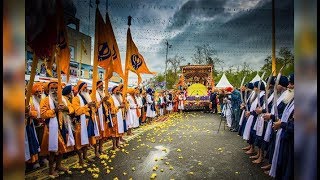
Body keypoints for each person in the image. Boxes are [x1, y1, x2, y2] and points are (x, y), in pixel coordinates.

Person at [261, 75, 291, 174]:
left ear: (282, 86)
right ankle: (272, 164)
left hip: (282, 126)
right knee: (273, 145)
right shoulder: (280, 94)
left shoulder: (287, 96)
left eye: (276, 85)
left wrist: (272, 117)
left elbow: (284, 114)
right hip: (276, 124)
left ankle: (275, 167)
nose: (274, 87)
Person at [39, 80, 70, 177]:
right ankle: (51, 171)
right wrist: (55, 110)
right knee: (52, 151)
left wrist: (65, 108)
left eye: (56, 88)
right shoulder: (45, 100)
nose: (54, 90)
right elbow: (43, 114)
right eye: (52, 88)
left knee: (62, 148)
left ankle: (59, 166)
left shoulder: (64, 99)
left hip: (63, 126)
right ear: (48, 89)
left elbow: (71, 108)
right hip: (51, 128)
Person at [72, 81, 97, 166]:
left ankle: (85, 156)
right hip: (80, 123)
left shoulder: (88, 97)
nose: (86, 89)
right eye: (84, 88)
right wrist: (87, 106)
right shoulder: (76, 98)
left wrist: (94, 106)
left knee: (87, 139)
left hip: (89, 120)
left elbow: (93, 110)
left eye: (86, 88)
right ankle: (80, 159)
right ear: (80, 89)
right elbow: (77, 111)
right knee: (79, 141)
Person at [25, 83, 42, 170]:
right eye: (37, 92)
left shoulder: (28, 101)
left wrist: (29, 112)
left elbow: (35, 113)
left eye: (40, 92)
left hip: (30, 126)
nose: (39, 94)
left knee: (33, 144)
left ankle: (34, 161)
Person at [94, 81, 112, 154]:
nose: (102, 87)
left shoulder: (103, 93)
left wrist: (107, 103)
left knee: (102, 134)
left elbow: (107, 105)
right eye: (101, 85)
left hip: (104, 116)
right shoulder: (93, 94)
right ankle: (96, 151)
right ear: (97, 86)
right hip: (97, 117)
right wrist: (102, 101)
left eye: (103, 85)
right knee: (97, 135)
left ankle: (101, 149)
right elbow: (95, 107)